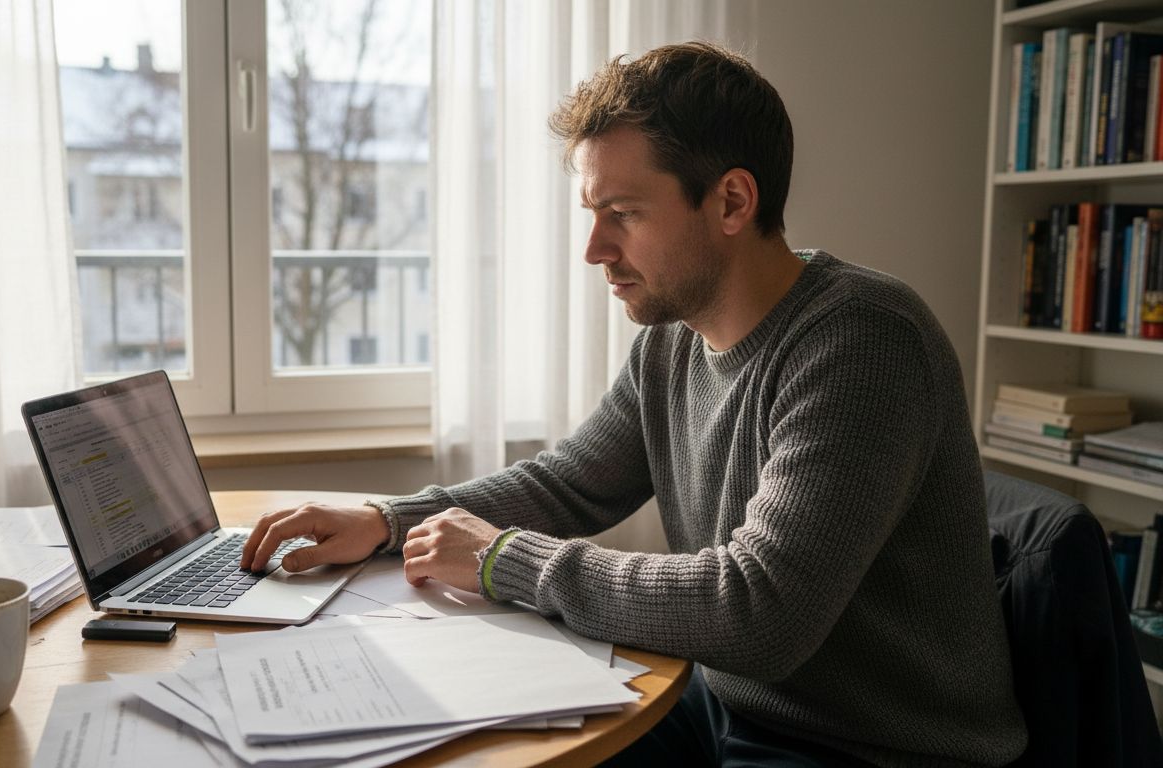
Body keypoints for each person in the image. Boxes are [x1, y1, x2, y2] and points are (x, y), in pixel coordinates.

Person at [240, 41, 1027, 767]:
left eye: (623, 214)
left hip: (871, 752)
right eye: (591, 214)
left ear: (731, 202)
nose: (595, 251)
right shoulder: (674, 336)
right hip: (730, 713)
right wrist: (389, 519)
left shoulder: (863, 341)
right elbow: (571, 484)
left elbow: (758, 613)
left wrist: (501, 560)